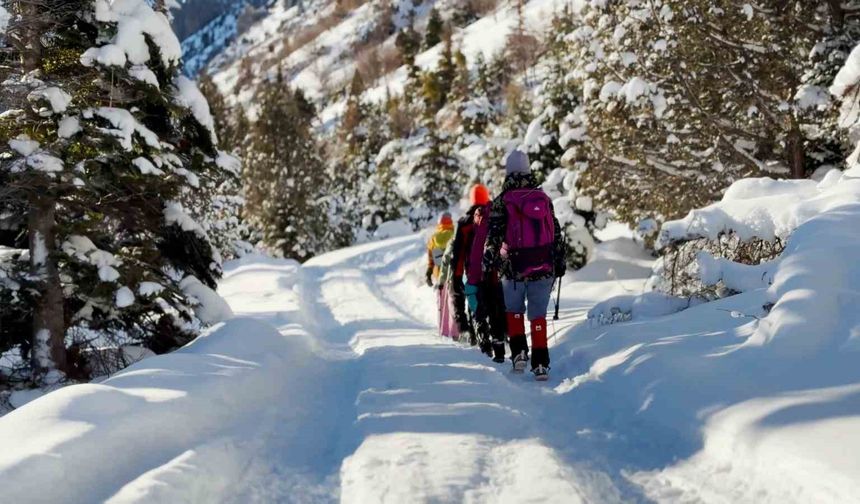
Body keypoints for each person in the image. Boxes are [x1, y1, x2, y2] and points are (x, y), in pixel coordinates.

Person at [483, 150, 566, 381]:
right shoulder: (542, 198)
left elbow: (495, 234)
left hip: (513, 267)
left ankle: (519, 354)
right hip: (544, 265)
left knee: (514, 309)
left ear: (508, 171)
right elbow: (555, 232)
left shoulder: (503, 199)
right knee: (538, 315)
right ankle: (541, 365)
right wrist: (559, 260)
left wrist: (490, 256)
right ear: (529, 170)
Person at [447, 184, 507, 362]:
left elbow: (458, 254)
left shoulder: (465, 222)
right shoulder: (495, 216)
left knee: (476, 309)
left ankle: (483, 345)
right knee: (496, 308)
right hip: (494, 274)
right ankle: (500, 346)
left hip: (473, 275)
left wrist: (457, 278)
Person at [426, 212, 459, 339]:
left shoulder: (434, 238)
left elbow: (431, 258)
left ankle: (443, 331)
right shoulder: (455, 236)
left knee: (441, 304)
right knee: (453, 303)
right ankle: (455, 332)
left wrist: (429, 273)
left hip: (439, 275)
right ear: (450, 222)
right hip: (454, 275)